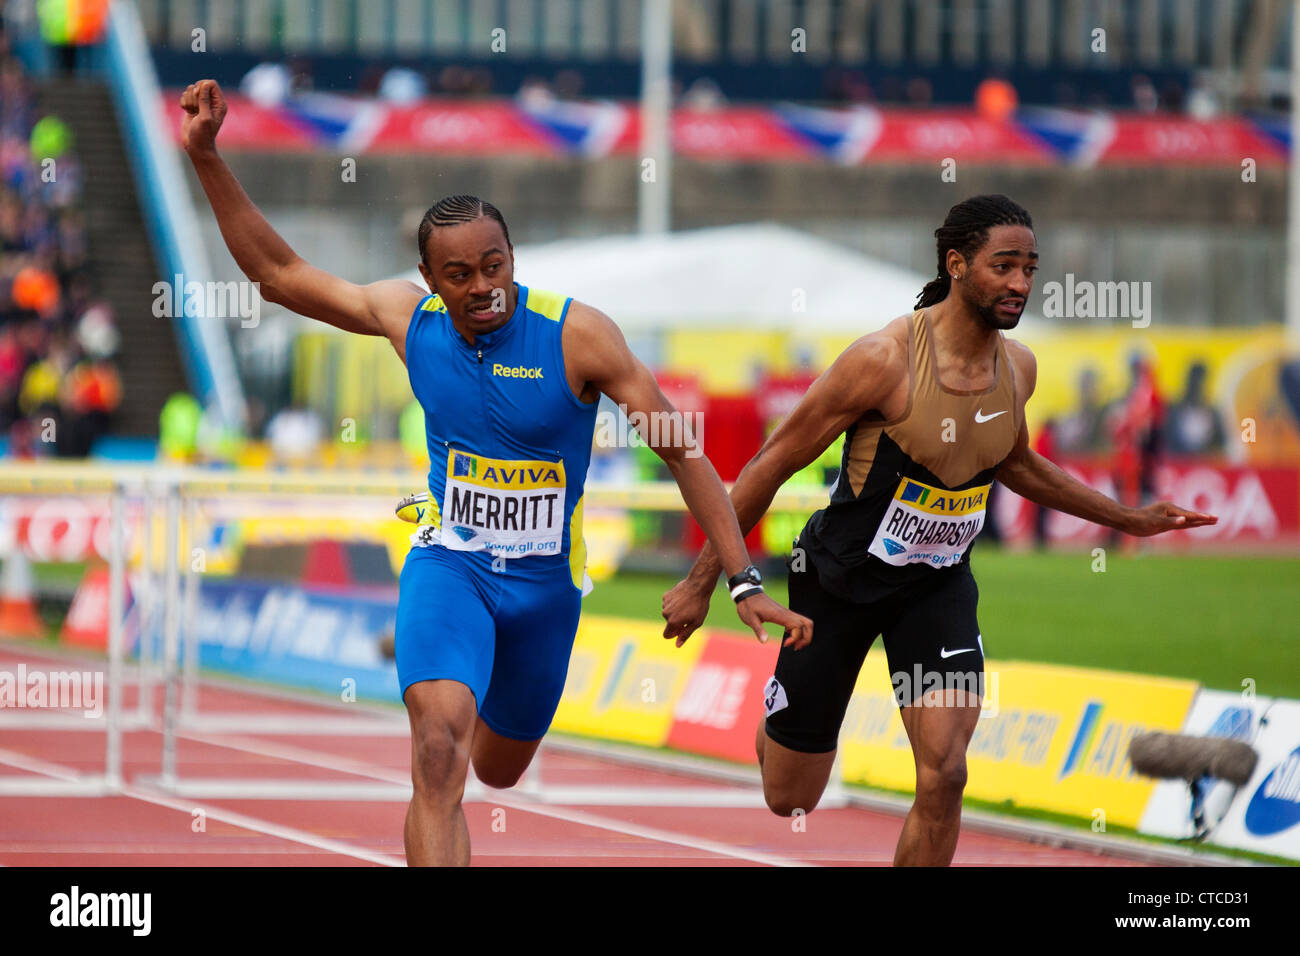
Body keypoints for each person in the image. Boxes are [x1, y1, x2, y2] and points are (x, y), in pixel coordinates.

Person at [179, 79, 811, 867]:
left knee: (497, 771)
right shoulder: (406, 320)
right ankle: (441, 688)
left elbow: (683, 451)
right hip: (452, 565)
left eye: (494, 265)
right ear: (429, 277)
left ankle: (464, 691)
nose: (482, 288)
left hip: (545, 590)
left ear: (513, 257)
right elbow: (278, 273)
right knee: (437, 754)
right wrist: (206, 157)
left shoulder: (579, 337)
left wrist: (737, 580)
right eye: (459, 275)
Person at [662, 194, 1216, 866]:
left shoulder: (1019, 369)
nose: (1020, 283)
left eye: (1029, 268)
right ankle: (785, 718)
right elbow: (769, 464)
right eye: (1003, 265)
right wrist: (701, 583)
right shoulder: (882, 360)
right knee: (791, 797)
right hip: (837, 582)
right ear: (957, 264)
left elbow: (1015, 464)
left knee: (945, 773)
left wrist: (1129, 516)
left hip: (936, 587)